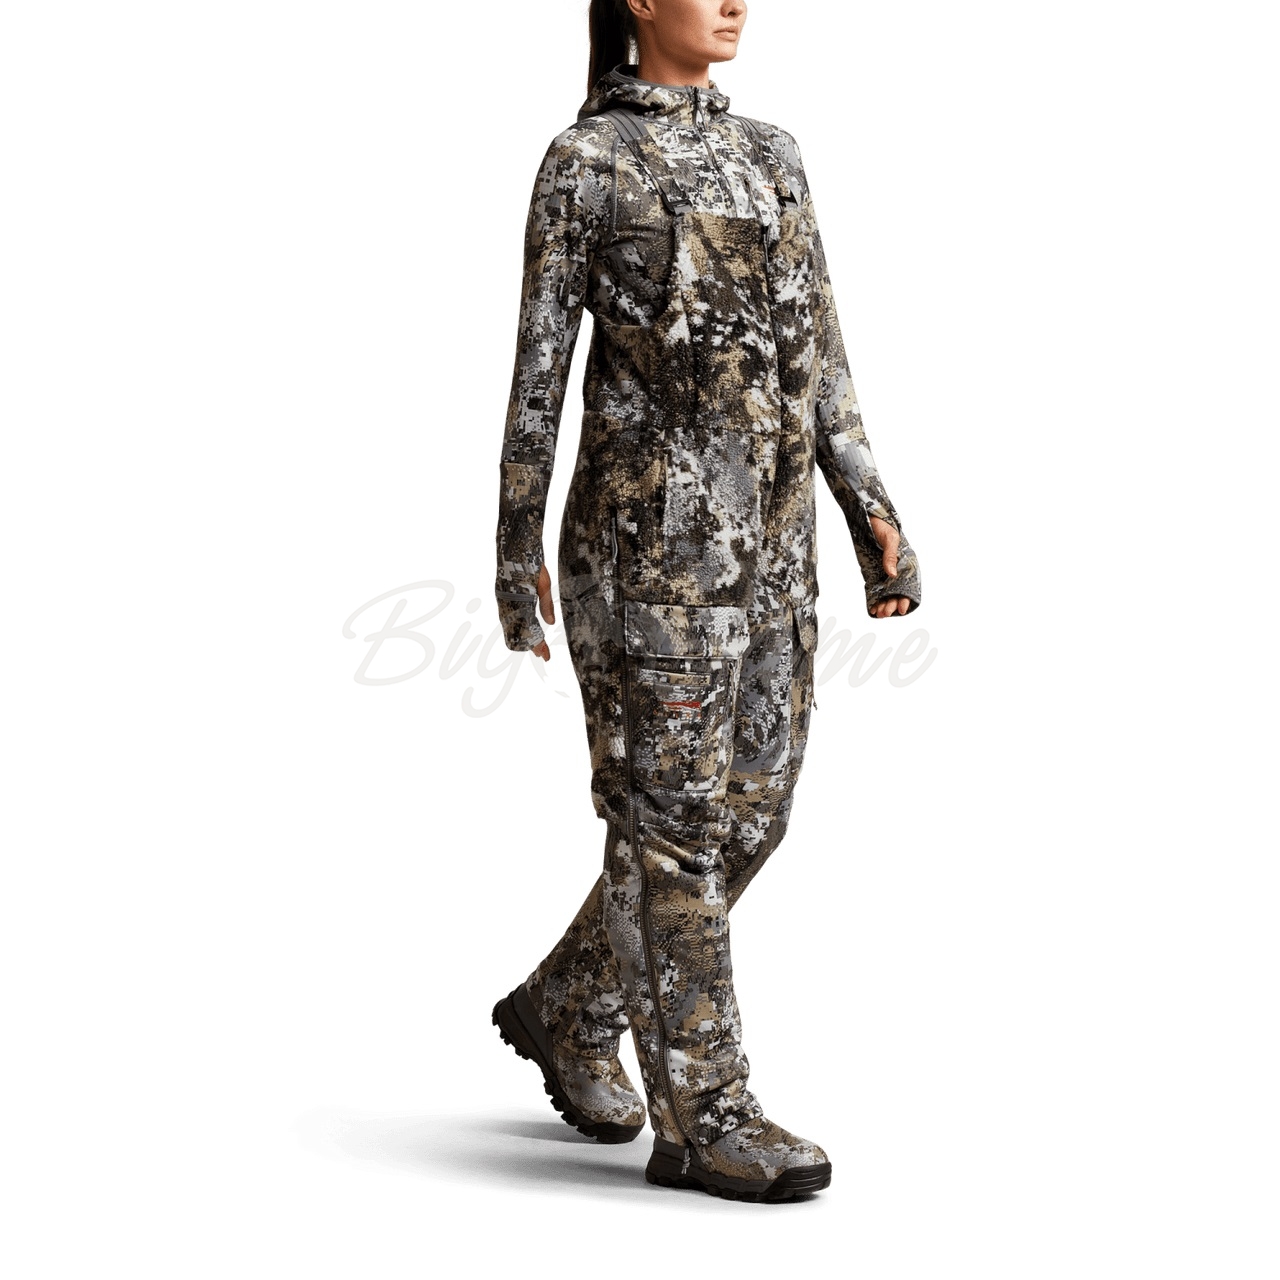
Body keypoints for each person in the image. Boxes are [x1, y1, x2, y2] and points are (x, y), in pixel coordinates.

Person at [491, 0, 921, 1202]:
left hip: (773, 549)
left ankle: (572, 1002)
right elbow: (539, 367)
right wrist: (513, 539)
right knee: (670, 825)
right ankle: (704, 1113)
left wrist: (871, 508)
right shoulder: (586, 162)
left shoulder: (774, 154)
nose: (733, 1)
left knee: (748, 813)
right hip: (647, 552)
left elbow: (821, 354)